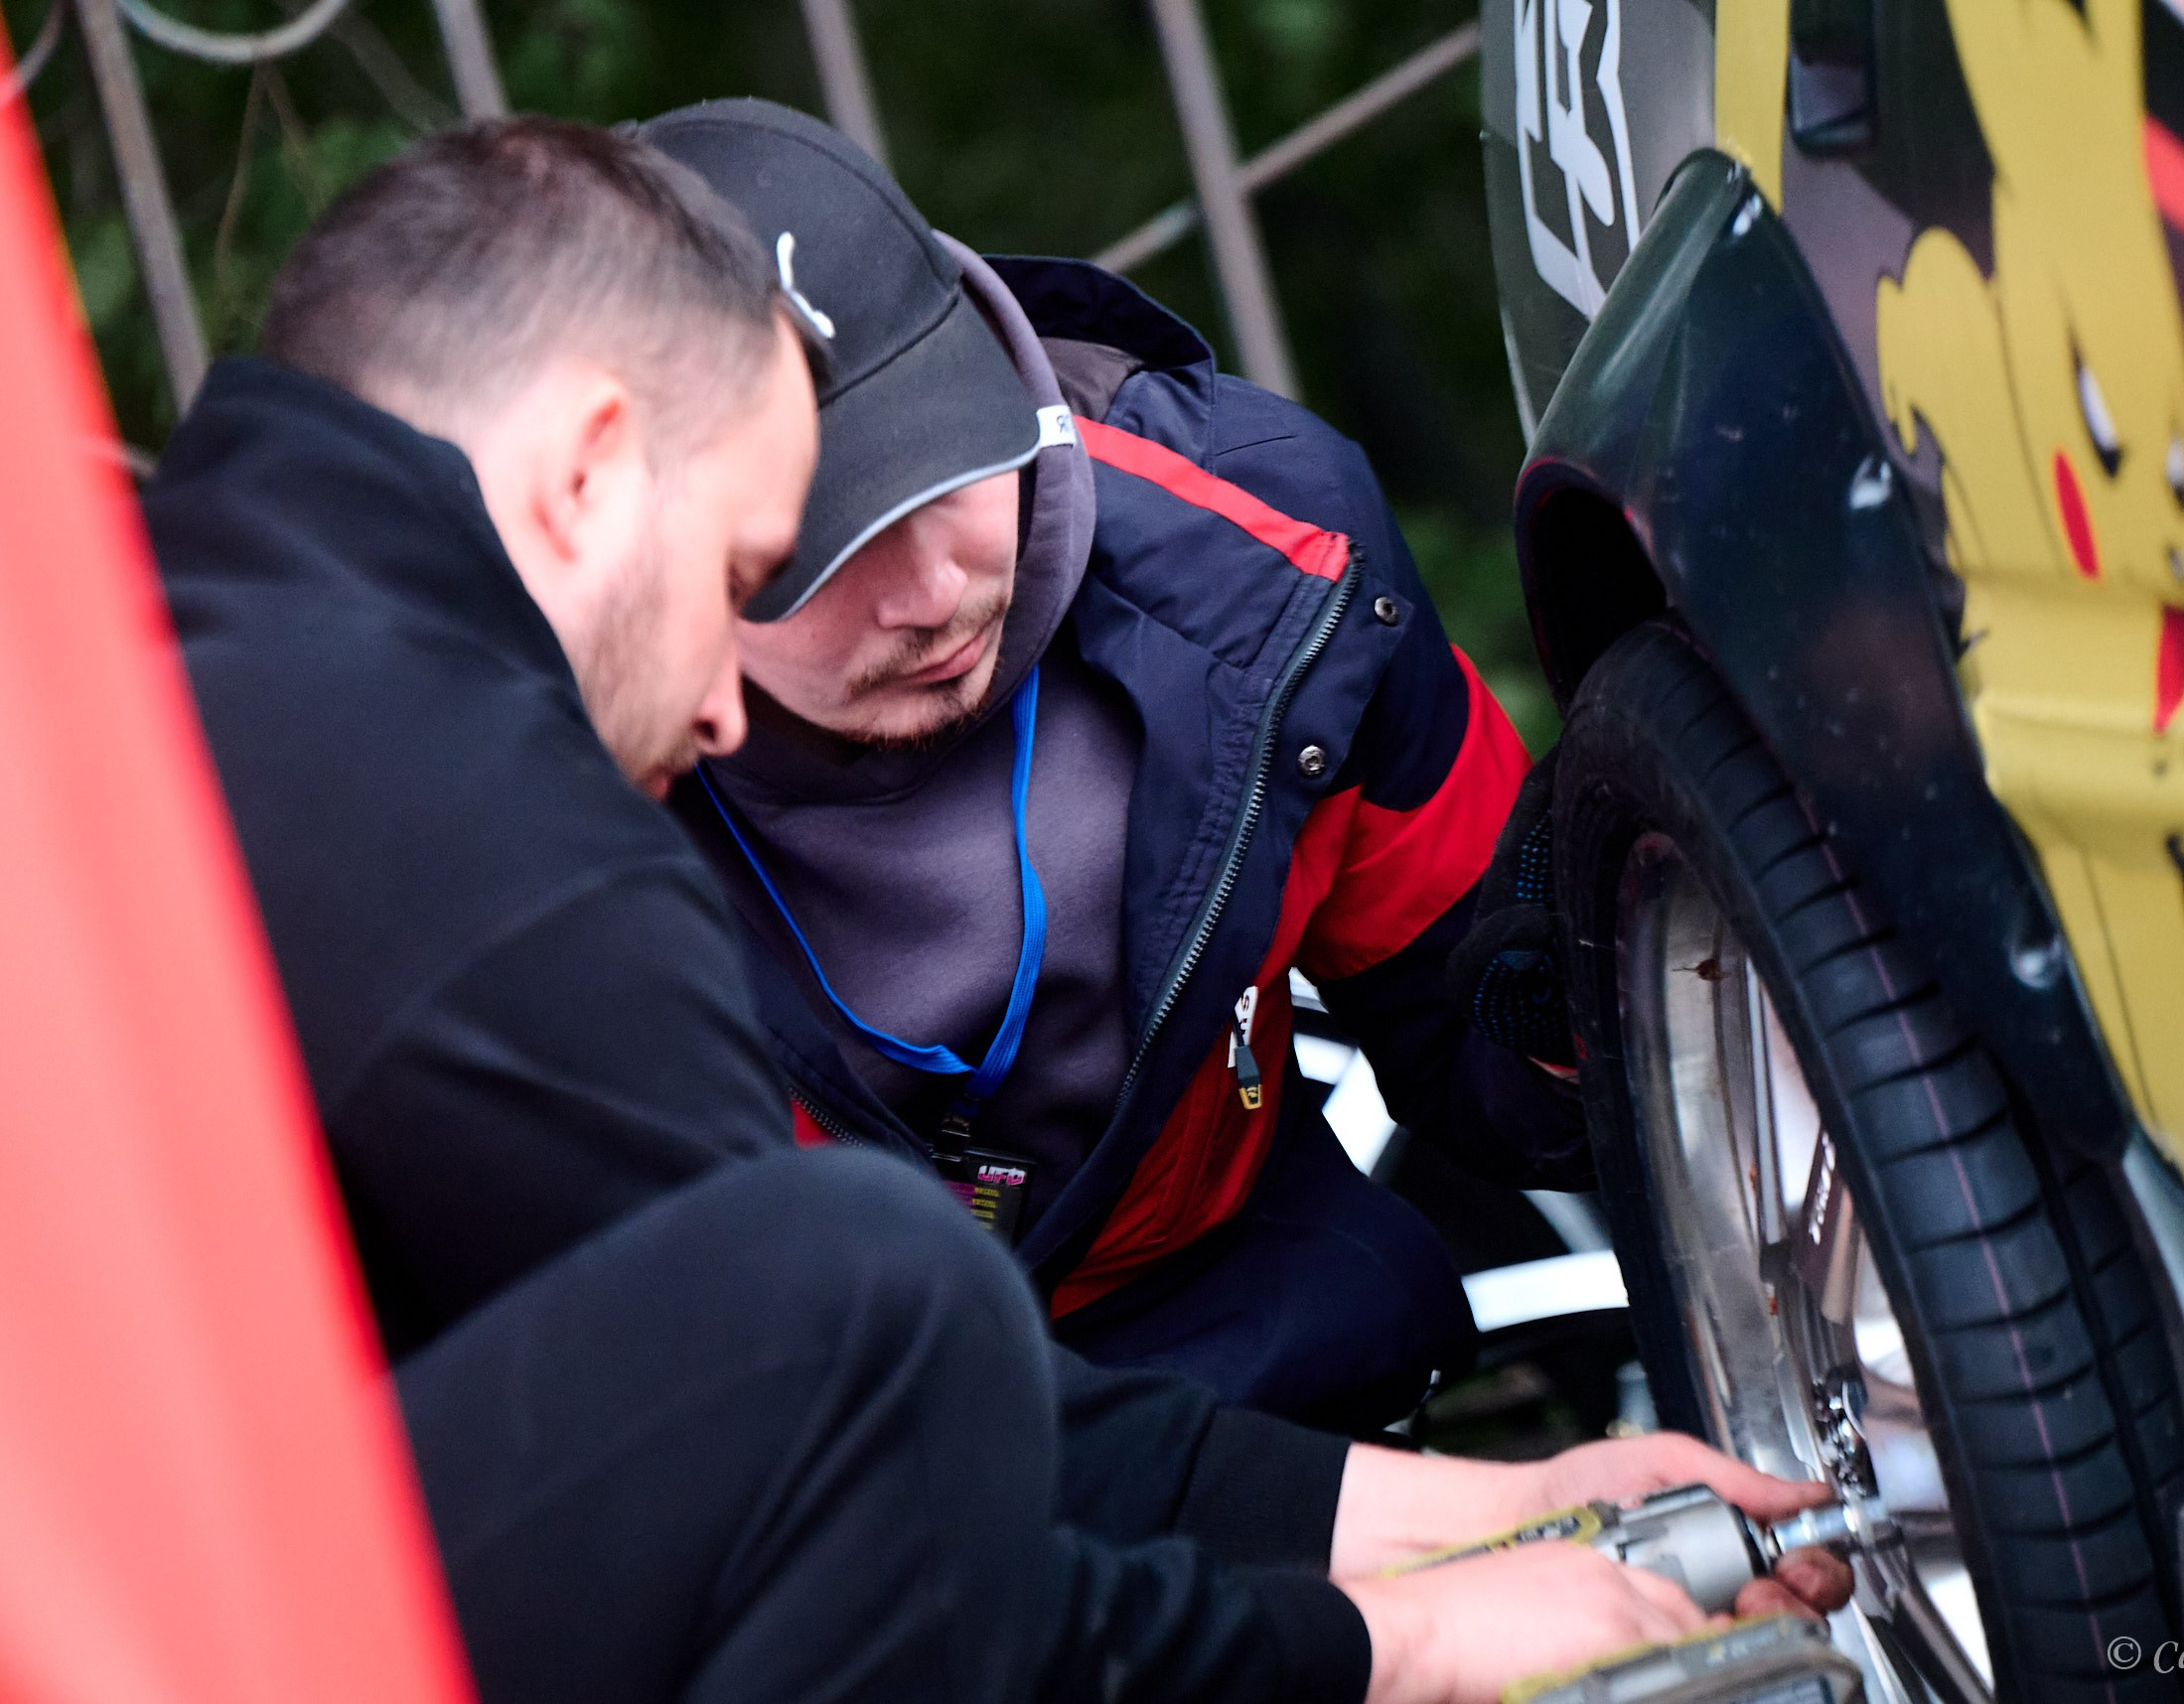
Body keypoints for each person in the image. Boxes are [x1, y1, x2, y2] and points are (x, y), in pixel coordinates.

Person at [146, 117, 1847, 1704]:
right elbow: (891, 1534)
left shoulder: (156, 660)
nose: (718, 709)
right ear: (592, 469)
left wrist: (1487, 1515)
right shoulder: (507, 846)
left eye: (951, 478)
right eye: (765, 576)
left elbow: (777, 1422)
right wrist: (1401, 1645)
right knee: (875, 1283)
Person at [635, 99, 1586, 1429]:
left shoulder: (1274, 555)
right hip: (833, 1440)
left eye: (944, 473)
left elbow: (1478, 1020)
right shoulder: (535, 824)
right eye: (820, 550)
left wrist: (1595, 1004)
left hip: (1249, 1328)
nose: (928, 595)